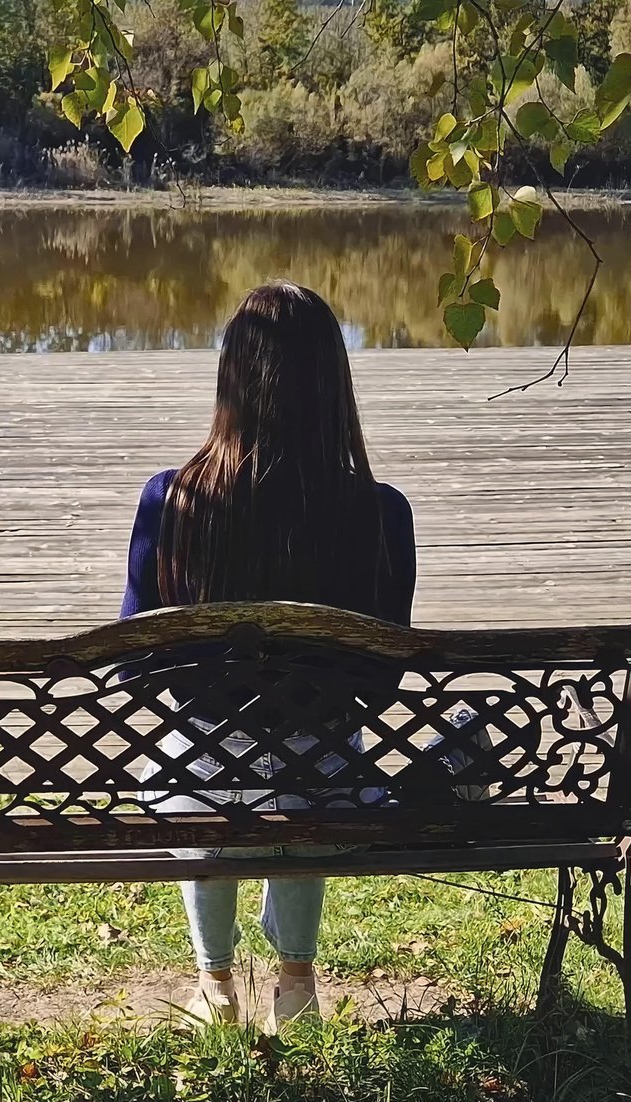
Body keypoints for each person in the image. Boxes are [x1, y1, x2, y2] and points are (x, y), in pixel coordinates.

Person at [119, 281, 416, 1030]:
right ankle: (295, 980)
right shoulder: (378, 512)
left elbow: (132, 663)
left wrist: (218, 704)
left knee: (203, 756)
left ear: (232, 378)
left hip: (201, 783)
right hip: (325, 787)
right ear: (332, 384)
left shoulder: (172, 501)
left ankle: (214, 985)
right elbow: (380, 677)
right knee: (314, 754)